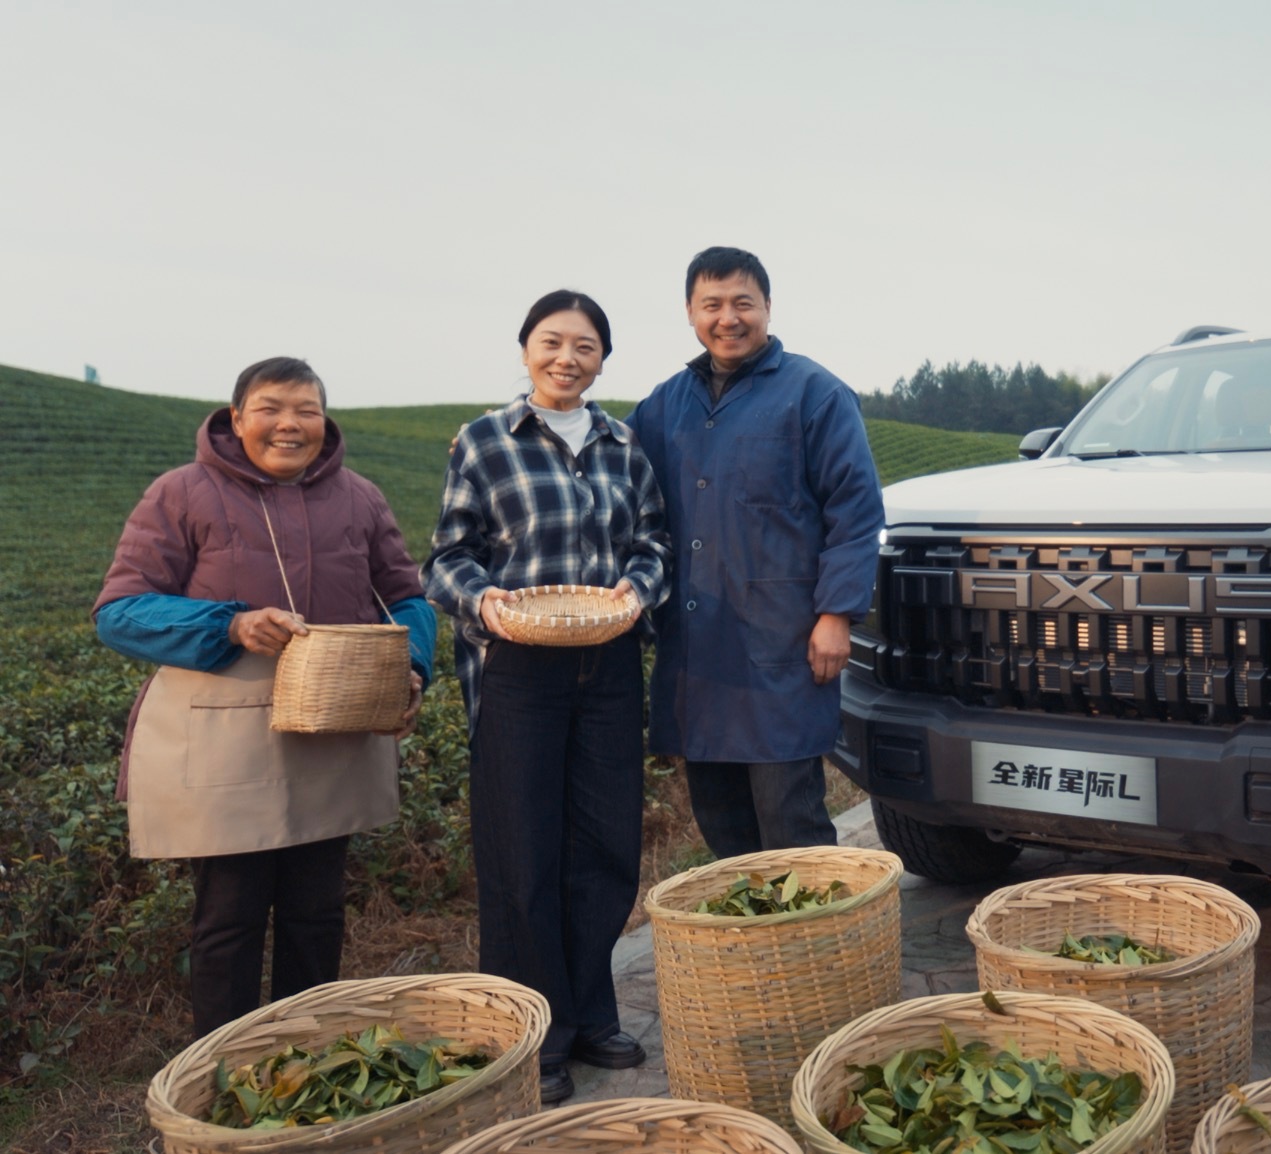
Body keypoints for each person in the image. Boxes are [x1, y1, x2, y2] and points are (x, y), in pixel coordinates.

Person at [94, 356, 434, 1038]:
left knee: (318, 909)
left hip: (333, 727)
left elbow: (405, 594)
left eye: (306, 410)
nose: (290, 424)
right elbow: (120, 611)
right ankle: (222, 1076)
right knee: (230, 916)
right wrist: (229, 622)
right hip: (227, 737)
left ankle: (307, 1059)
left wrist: (413, 663)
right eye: (272, 408)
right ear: (237, 417)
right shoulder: (182, 492)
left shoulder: (359, 497)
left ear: (324, 420)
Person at [423, 290, 671, 1105]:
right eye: (553, 342)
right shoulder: (486, 441)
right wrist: (484, 604)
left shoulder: (624, 445)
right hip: (519, 669)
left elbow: (652, 544)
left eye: (586, 346)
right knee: (522, 850)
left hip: (604, 663)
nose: (568, 358)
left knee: (603, 845)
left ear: (604, 359)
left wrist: (639, 593)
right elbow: (448, 559)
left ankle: (594, 1013)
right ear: (526, 347)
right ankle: (540, 1031)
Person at [626, 246, 884, 857]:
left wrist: (836, 615)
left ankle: (820, 950)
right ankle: (749, 951)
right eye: (711, 304)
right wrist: (506, 435)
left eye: (743, 302)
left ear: (768, 307)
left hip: (784, 647)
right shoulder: (664, 405)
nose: (728, 318)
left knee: (790, 823)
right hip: (699, 648)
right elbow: (604, 465)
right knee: (724, 828)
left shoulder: (814, 393)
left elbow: (855, 509)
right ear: (690, 312)